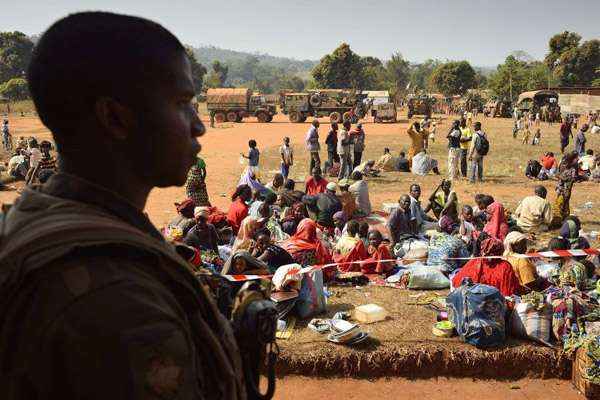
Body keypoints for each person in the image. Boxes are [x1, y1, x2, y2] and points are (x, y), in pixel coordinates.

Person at [0, 12, 245, 398]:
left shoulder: (35, 215)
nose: (198, 126)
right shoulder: (120, 301)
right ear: (115, 117)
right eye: (182, 103)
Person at [452, 237, 521, 296]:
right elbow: (509, 291)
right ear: (500, 251)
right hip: (495, 304)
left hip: (473, 302)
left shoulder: (475, 262)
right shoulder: (505, 266)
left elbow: (456, 282)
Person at [551, 151, 580, 228]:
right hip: (564, 189)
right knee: (561, 204)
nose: (578, 159)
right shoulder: (570, 167)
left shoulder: (565, 163)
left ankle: (563, 220)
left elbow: (558, 174)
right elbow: (571, 178)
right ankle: (558, 222)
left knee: (563, 204)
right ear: (573, 158)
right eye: (577, 157)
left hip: (563, 188)